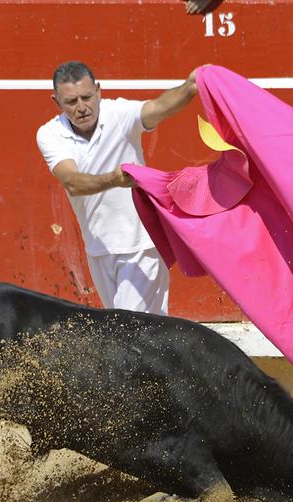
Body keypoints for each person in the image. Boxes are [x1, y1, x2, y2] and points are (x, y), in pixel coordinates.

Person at [36, 61, 199, 314]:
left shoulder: (120, 113)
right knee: (134, 336)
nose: (81, 108)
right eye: (71, 102)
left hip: (140, 246)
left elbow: (160, 107)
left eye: (87, 97)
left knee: (127, 333)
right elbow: (72, 181)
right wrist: (114, 179)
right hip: (99, 249)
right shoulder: (50, 134)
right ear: (56, 101)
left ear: (99, 91)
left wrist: (190, 87)